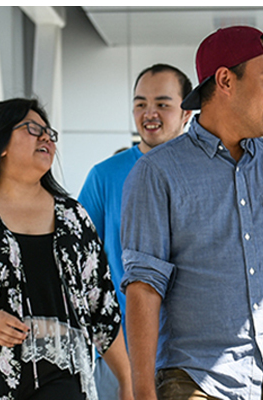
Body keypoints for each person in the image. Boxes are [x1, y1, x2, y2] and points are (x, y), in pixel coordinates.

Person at [120, 26, 263, 400]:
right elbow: (144, 285)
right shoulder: (157, 172)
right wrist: (143, 391)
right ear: (225, 80)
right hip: (196, 379)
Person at [0, 98, 132, 400]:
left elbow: (102, 308)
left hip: (63, 379)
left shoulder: (73, 217)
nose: (46, 137)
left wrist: (127, 381)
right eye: (32, 129)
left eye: (49, 133)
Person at [78, 64, 193, 399]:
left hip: (192, 358)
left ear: (187, 112)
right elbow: (76, 265)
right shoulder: (104, 176)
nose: (149, 113)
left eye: (162, 103)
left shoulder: (206, 173)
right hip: (119, 357)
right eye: (140, 103)